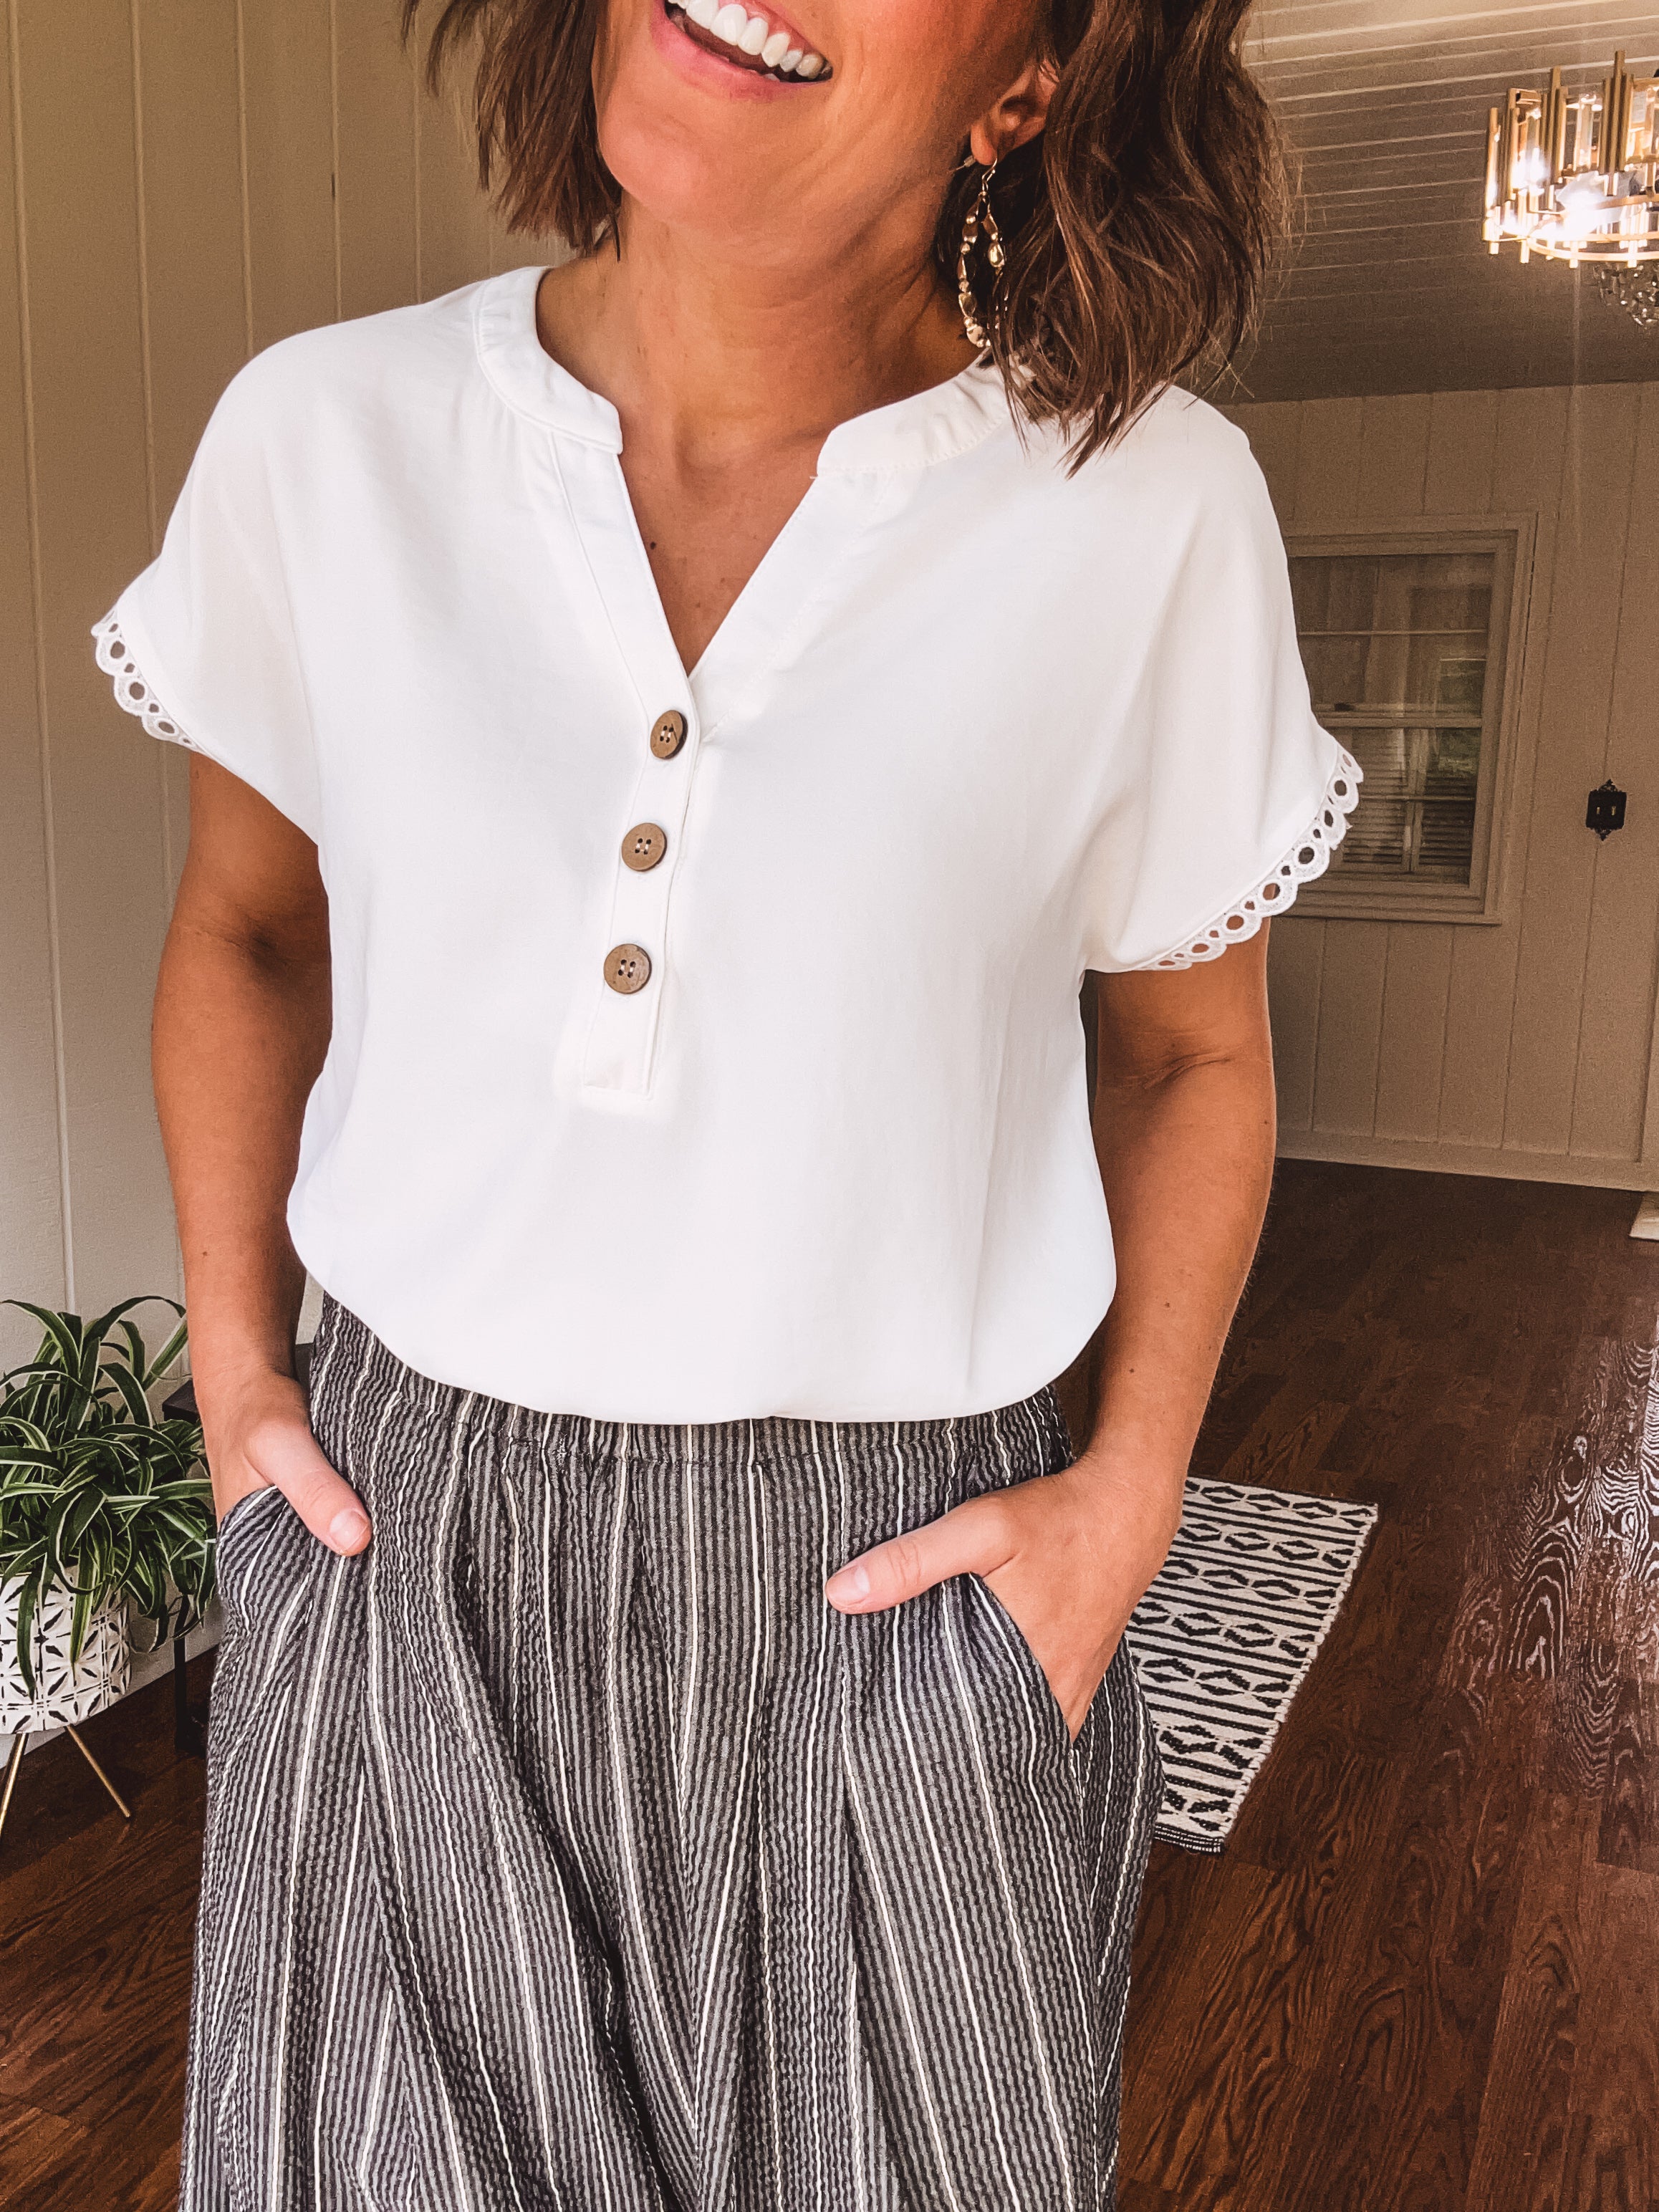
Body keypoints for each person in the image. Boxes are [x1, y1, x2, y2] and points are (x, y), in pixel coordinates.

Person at [94, 0, 1357, 2203]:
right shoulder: (328, 435)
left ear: (1032, 74)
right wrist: (232, 1370)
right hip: (400, 1550)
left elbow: (1189, 1053)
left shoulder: (1148, 513)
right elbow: (250, 937)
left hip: (900, 1594)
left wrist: (1131, 1495)